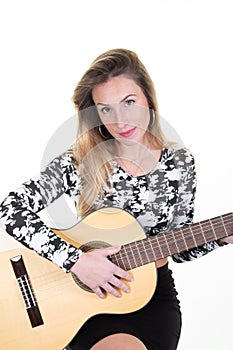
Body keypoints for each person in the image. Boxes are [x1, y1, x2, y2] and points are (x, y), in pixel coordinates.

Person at [0, 48, 232, 350]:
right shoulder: (80, 161)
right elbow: (10, 209)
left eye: (129, 103)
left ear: (148, 98)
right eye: (106, 109)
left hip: (149, 299)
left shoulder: (180, 163)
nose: (120, 120)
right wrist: (76, 262)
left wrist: (222, 237)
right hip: (83, 300)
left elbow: (179, 246)